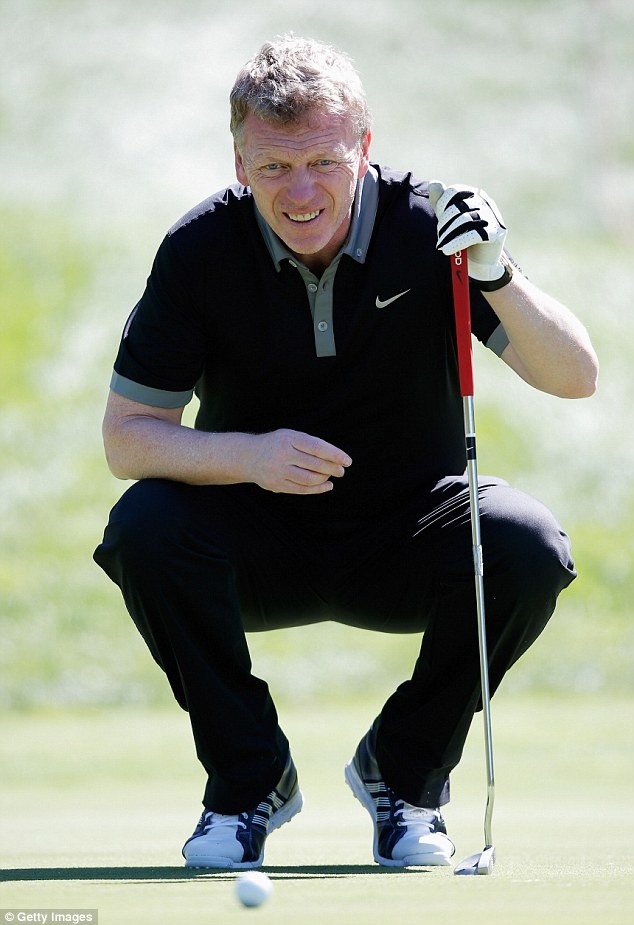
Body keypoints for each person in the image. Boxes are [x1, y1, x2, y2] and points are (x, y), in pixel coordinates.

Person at [94, 35, 598, 870]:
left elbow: (576, 376)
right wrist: (252, 457)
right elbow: (127, 438)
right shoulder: (199, 250)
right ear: (240, 160)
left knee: (527, 543)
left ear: (364, 147)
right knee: (144, 524)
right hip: (256, 539)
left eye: (323, 162)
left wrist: (496, 273)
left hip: (409, 533)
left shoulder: (432, 227)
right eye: (273, 166)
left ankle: (404, 775)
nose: (300, 192)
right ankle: (247, 783)